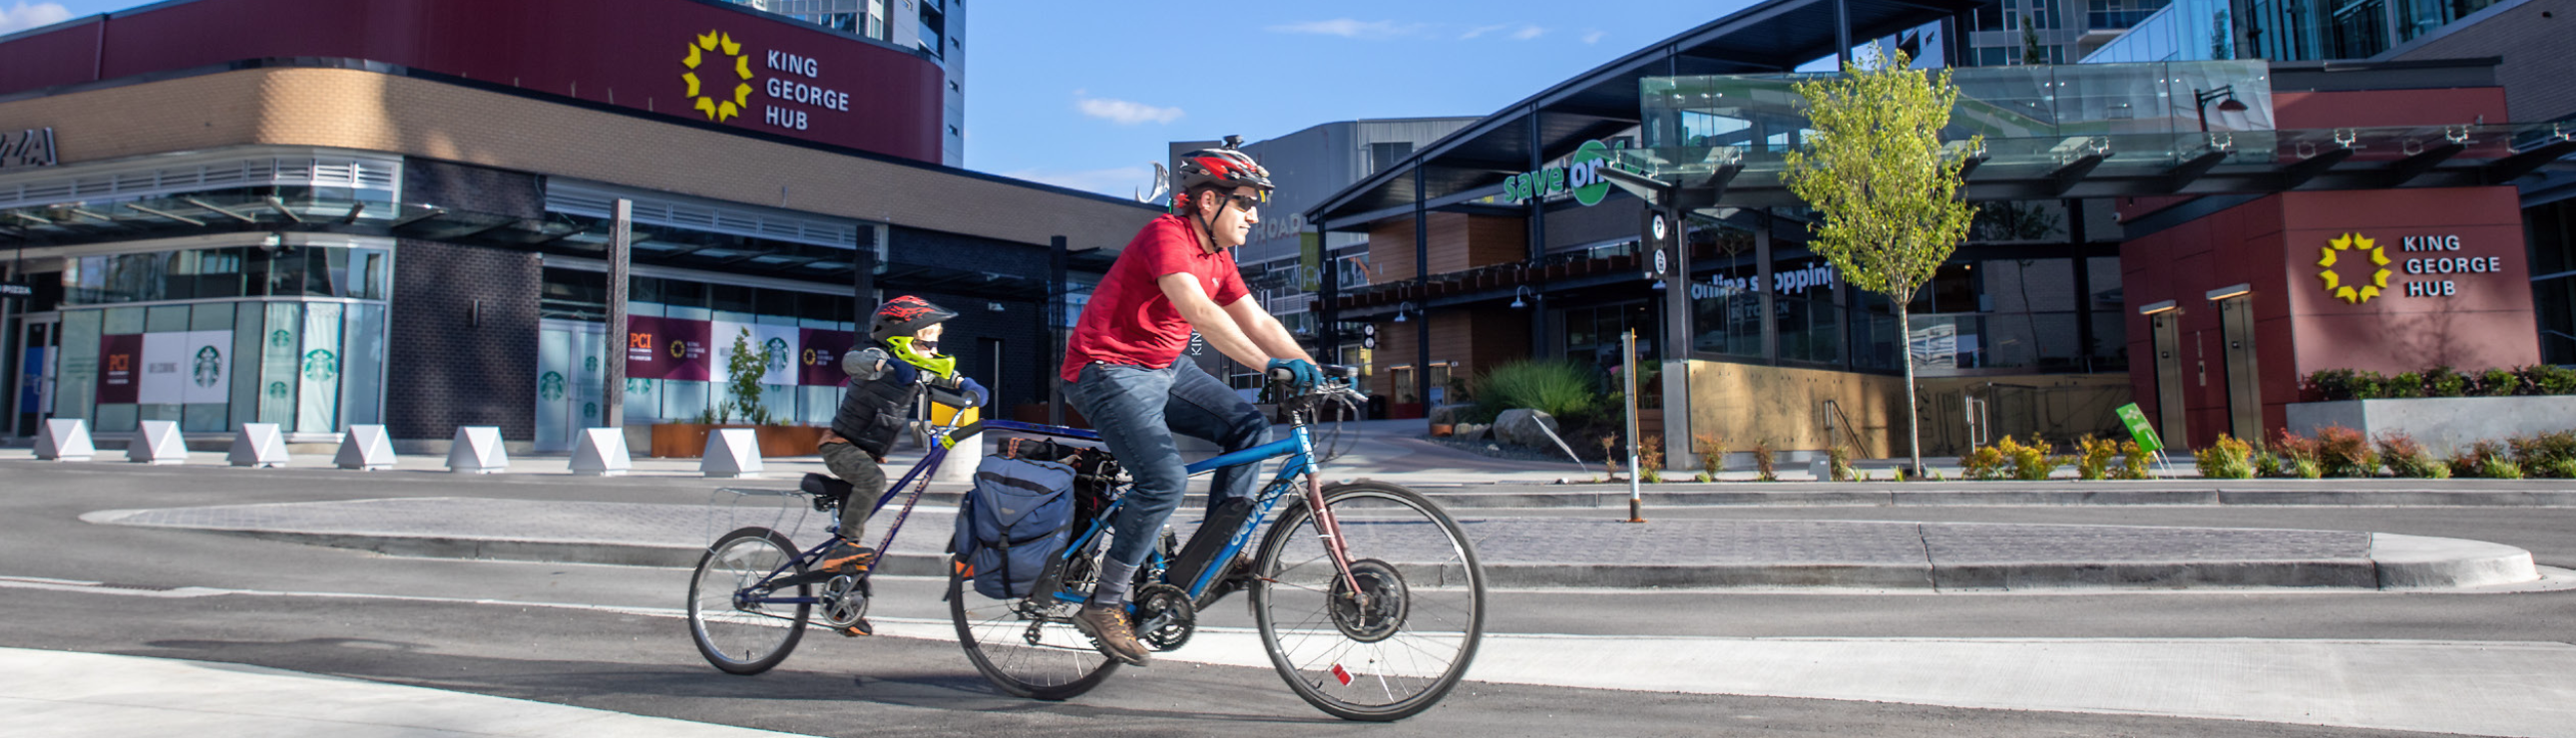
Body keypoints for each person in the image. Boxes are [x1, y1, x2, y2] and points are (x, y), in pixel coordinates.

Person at [1059, 137, 1322, 665]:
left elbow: (1259, 320)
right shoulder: (1167, 236)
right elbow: (1201, 314)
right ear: (1209, 201)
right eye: (1245, 203)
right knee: (1165, 480)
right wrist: (1269, 367)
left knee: (1249, 428)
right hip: (1107, 368)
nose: (1251, 216)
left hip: (1163, 367)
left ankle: (1213, 555)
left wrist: (1312, 368)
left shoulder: (1218, 257)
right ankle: (1104, 602)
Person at [815, 295, 988, 593]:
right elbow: (851, 361)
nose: (933, 347)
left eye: (936, 339)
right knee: (873, 481)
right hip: (840, 446)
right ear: (900, 334)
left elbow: (942, 375)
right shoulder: (873, 355)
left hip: (867, 453)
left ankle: (843, 603)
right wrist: (886, 364)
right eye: (926, 338)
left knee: (860, 520)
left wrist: (965, 386)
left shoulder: (915, 365)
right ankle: (841, 547)